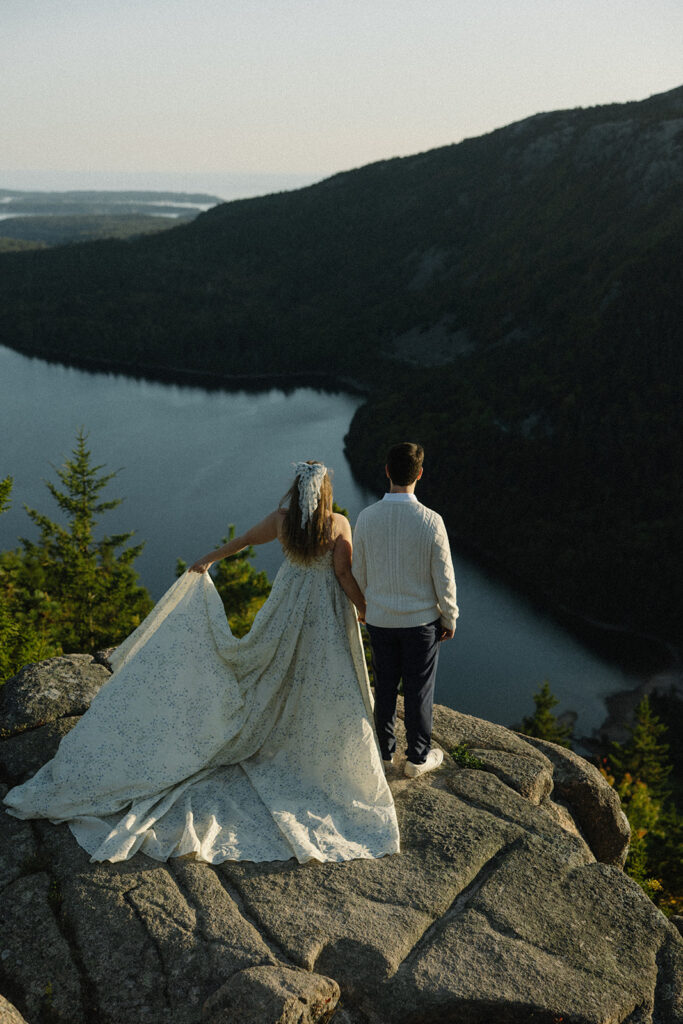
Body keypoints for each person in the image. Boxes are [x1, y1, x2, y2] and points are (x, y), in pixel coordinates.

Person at [4, 462, 400, 865]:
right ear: (325, 493)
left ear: (297, 492)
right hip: (324, 611)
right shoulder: (336, 525)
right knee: (323, 673)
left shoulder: (283, 523)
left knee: (270, 663)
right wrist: (365, 608)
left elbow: (244, 540)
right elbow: (344, 573)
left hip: (286, 604)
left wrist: (207, 559)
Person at [353, 443, 458, 778]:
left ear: (387, 471)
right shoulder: (431, 521)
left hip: (380, 620)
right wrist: (450, 617)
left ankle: (384, 755)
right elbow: (445, 578)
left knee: (384, 688)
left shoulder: (367, 518)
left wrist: (363, 608)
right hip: (421, 623)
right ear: (420, 474)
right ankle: (416, 759)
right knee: (418, 691)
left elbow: (359, 573)